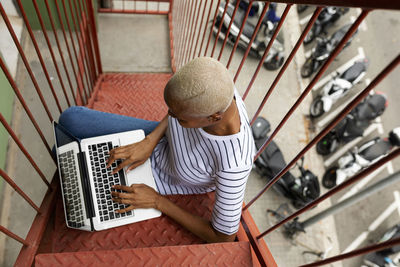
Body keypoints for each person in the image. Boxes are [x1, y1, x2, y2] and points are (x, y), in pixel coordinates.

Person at [59, 57, 255, 243]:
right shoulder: (218, 84)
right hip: (157, 140)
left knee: (63, 160)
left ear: (213, 118)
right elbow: (175, 110)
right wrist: (149, 141)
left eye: (180, 118)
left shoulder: (234, 165)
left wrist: (157, 201)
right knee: (70, 119)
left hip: (156, 180)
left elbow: (223, 237)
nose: (170, 116)